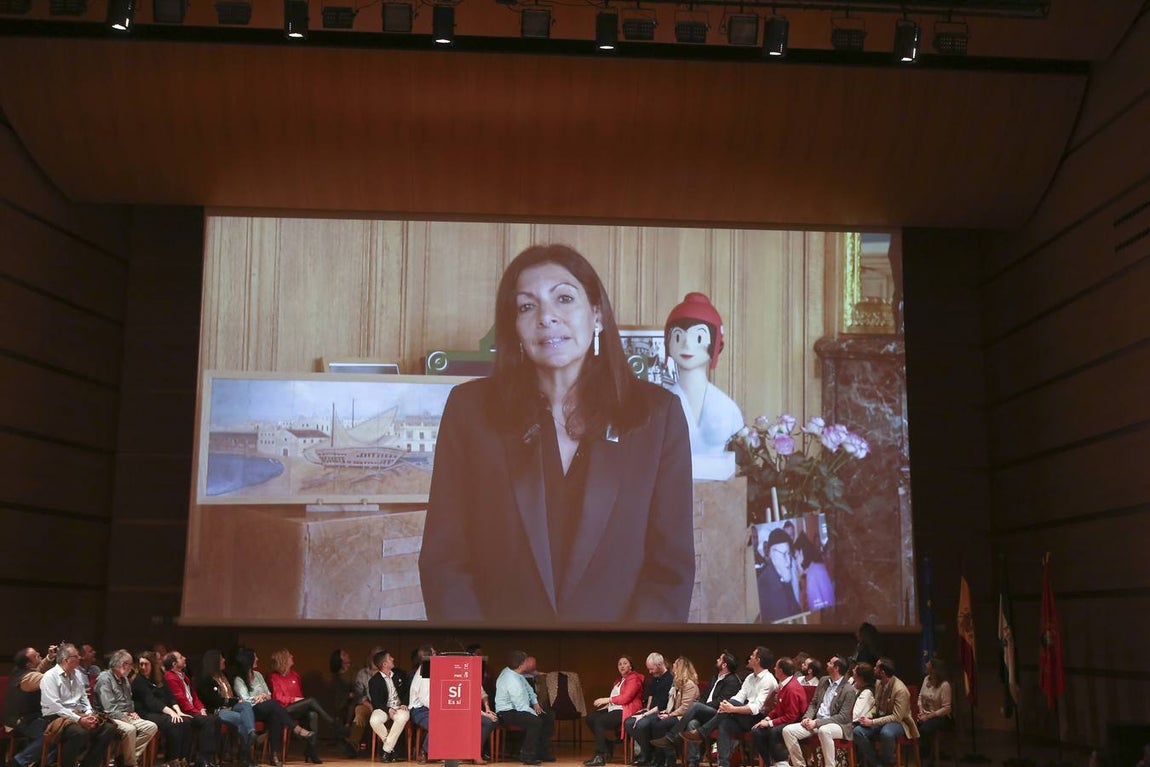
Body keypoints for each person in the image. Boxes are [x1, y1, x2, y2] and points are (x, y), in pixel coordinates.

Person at [419, 243, 695, 625]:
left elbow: (670, 571)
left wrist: (629, 670)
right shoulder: (470, 411)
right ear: (514, 327)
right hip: (499, 669)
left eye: (564, 299)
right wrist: (475, 665)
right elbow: (444, 561)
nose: (547, 318)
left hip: (615, 668)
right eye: (527, 306)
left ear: (596, 315)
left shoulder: (656, 416)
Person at [662, 292, 745, 479]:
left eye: (698, 337)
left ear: (717, 345)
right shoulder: (658, 407)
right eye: (678, 336)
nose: (686, 345)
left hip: (720, 495)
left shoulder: (728, 408)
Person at [39, 643, 120, 767]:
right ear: (66, 660)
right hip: (57, 717)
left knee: (109, 728)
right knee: (79, 732)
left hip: (79, 714)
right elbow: (55, 706)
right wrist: (80, 720)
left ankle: (88, 764)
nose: (80, 658)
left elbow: (84, 698)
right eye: (76, 656)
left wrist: (89, 713)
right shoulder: (50, 676)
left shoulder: (76, 674)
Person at [698, 647, 778, 767]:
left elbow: (756, 708)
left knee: (730, 706)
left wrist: (731, 708)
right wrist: (727, 706)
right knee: (724, 722)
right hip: (743, 716)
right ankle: (723, 764)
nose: (750, 657)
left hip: (759, 719)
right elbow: (739, 697)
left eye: (753, 655)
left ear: (758, 660)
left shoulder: (768, 680)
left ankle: (703, 731)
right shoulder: (750, 677)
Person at [268, 648, 352, 758]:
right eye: (289, 656)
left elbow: (300, 696)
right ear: (283, 660)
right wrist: (294, 700)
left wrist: (300, 702)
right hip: (283, 710)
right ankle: (333, 723)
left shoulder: (295, 675)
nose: (292, 656)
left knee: (313, 714)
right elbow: (277, 697)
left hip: (296, 708)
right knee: (311, 700)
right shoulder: (274, 677)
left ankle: (311, 750)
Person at [780, 655, 857, 767]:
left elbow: (843, 717)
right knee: (788, 730)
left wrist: (817, 723)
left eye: (830, 663)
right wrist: (807, 718)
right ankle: (799, 765)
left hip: (839, 725)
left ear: (836, 668)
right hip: (816, 722)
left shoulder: (848, 689)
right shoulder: (823, 681)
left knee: (824, 731)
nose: (827, 664)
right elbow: (814, 703)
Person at [233, 647, 304, 767]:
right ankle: (295, 728)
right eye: (255, 657)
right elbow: (245, 700)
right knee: (274, 704)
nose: (258, 659)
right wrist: (259, 698)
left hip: (264, 708)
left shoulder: (258, 675)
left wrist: (263, 696)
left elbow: (269, 694)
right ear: (249, 660)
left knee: (275, 715)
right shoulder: (239, 679)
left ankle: (274, 755)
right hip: (250, 711)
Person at [93, 649, 159, 767]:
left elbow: (129, 702)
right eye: (131, 665)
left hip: (124, 715)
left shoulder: (125, 680)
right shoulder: (104, 679)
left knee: (151, 726)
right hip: (108, 717)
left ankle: (124, 757)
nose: (132, 668)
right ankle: (131, 763)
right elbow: (109, 709)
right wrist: (125, 717)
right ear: (123, 665)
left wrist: (132, 712)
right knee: (130, 729)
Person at [195, 650, 258, 767]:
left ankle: (251, 732)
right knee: (243, 719)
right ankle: (245, 757)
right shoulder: (206, 679)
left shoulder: (224, 675)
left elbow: (230, 695)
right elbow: (214, 700)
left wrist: (237, 701)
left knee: (246, 705)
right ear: (214, 661)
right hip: (218, 710)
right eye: (221, 658)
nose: (224, 660)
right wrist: (234, 700)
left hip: (230, 706)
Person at [132, 651, 193, 767]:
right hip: (146, 712)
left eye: (146, 664)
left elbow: (170, 696)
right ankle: (171, 760)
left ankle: (183, 759)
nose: (143, 667)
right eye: (141, 664)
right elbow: (151, 702)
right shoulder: (139, 680)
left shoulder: (159, 676)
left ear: (152, 665)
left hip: (162, 712)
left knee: (186, 721)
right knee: (173, 722)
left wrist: (178, 712)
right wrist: (171, 713)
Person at [494, 650, 555, 766]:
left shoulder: (517, 674)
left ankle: (542, 752)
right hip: (507, 712)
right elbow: (520, 704)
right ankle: (527, 755)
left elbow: (529, 690)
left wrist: (535, 703)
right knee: (535, 721)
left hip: (519, 708)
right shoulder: (511, 679)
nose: (529, 663)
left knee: (548, 716)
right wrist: (534, 712)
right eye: (527, 661)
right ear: (522, 664)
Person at [853, 659, 918, 767]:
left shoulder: (900, 689)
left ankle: (888, 763)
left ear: (882, 672)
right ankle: (877, 764)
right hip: (880, 718)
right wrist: (867, 716)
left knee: (886, 733)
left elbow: (897, 717)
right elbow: (876, 706)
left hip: (900, 722)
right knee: (858, 731)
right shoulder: (879, 683)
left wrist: (872, 722)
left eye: (877, 667)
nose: (874, 669)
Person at [163, 650, 222, 767]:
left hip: (192, 710)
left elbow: (194, 696)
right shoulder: (170, 677)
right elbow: (181, 700)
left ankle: (210, 757)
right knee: (208, 721)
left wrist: (201, 709)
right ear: (174, 664)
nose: (184, 658)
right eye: (180, 657)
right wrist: (197, 712)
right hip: (184, 712)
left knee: (216, 719)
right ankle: (202, 758)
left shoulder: (184, 677)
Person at [583, 656, 645, 766]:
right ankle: (608, 745)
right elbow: (616, 698)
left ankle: (600, 755)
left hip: (626, 710)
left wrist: (607, 699)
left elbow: (626, 697)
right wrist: (607, 705)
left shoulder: (634, 678)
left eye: (625, 663)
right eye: (619, 664)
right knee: (590, 718)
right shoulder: (618, 681)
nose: (622, 665)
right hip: (614, 708)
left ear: (630, 666)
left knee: (599, 721)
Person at [3, 645, 57, 767]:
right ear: (28, 664)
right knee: (53, 733)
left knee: (60, 729)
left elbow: (38, 669)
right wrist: (64, 664)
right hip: (20, 720)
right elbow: (47, 679)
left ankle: (42, 762)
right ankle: (18, 762)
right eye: (36, 655)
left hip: (29, 716)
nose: (39, 654)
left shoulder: (22, 670)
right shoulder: (28, 678)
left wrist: (49, 658)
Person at [749, 658, 806, 767]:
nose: (774, 669)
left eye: (776, 667)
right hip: (784, 719)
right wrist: (767, 718)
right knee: (756, 731)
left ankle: (781, 762)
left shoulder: (791, 688)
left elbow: (792, 716)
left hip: (795, 722)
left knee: (773, 731)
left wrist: (770, 723)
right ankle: (769, 763)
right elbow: (778, 709)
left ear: (781, 670)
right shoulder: (784, 684)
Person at [645, 657, 700, 767]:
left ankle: (670, 757)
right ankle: (660, 758)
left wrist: (669, 715)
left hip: (684, 717)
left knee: (660, 725)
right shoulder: (677, 683)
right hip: (676, 714)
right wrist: (666, 712)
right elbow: (673, 704)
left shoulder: (689, 685)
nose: (673, 665)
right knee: (655, 722)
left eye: (675, 664)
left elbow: (685, 708)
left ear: (680, 668)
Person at [758, 528, 801, 622]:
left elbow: (796, 608)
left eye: (788, 554)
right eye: (783, 555)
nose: (788, 563)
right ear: (771, 554)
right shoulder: (765, 584)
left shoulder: (783, 577)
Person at [915, 658, 953, 757]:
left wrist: (929, 716)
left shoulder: (944, 685)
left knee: (924, 729)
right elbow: (920, 697)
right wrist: (921, 712)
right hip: (925, 714)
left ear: (934, 669)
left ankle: (927, 758)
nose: (926, 664)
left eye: (928, 663)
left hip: (941, 717)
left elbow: (947, 708)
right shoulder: (926, 679)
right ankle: (921, 758)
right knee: (910, 724)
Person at [794, 534, 835, 612]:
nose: (795, 562)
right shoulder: (815, 568)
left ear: (802, 553)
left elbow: (817, 609)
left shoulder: (812, 574)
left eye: (796, 557)